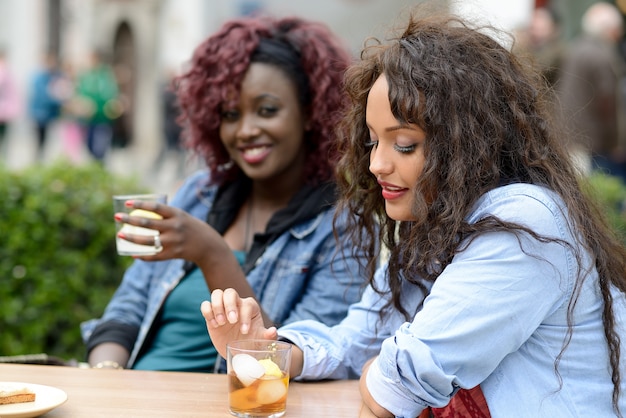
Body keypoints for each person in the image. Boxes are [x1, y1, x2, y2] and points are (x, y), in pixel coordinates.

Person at [201, 9, 626, 417]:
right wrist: (267, 349)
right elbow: (357, 339)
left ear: (467, 144)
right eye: (372, 142)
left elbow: (396, 386)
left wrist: (380, 370)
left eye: (404, 145)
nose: (376, 165)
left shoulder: (525, 227)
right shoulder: (437, 226)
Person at [81, 15, 365, 373]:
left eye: (267, 110)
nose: (245, 130)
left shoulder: (344, 226)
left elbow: (295, 360)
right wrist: (106, 373)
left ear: (310, 113)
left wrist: (213, 254)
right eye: (230, 113)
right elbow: (128, 306)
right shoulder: (200, 194)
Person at [558, 2, 626, 181]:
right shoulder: (601, 55)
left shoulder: (576, 47)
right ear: (608, 29)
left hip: (571, 134)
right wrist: (615, 143)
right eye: (617, 29)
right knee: (601, 193)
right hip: (593, 142)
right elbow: (608, 102)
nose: (619, 35)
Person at [74, 50, 121, 162]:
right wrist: (81, 104)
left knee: (100, 148)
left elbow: (110, 94)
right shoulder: (86, 75)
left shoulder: (105, 76)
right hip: (87, 119)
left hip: (102, 117)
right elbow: (79, 93)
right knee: (88, 145)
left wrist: (97, 105)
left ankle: (100, 167)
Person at [28, 52, 65, 162]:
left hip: (52, 115)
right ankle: (38, 160)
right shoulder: (40, 77)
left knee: (50, 142)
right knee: (40, 141)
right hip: (40, 114)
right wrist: (58, 100)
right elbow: (43, 96)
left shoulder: (57, 76)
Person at [0, 48, 20, 160]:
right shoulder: (5, 71)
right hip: (5, 111)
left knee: (3, 139)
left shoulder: (5, 71)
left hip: (4, 111)